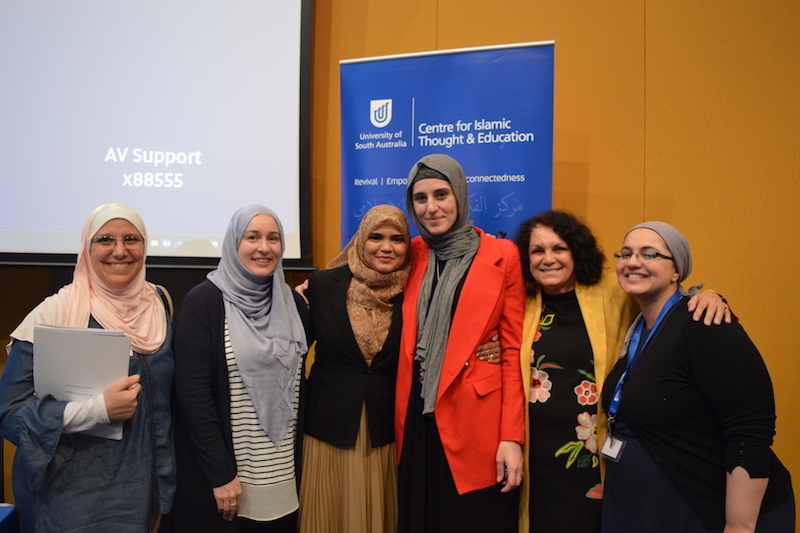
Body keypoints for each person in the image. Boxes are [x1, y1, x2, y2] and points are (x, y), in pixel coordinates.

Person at [509, 211, 731, 533]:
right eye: (537, 251)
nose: (548, 258)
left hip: (595, 454)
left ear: (576, 251)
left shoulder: (612, 291)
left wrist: (709, 297)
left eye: (559, 248)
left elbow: (665, 295)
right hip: (536, 457)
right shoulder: (520, 301)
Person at [600, 221, 794, 532]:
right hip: (647, 510)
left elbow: (749, 427)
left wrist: (738, 526)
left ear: (676, 271)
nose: (633, 261)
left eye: (649, 254)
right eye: (626, 253)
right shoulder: (637, 327)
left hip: (706, 510)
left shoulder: (704, 322)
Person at [0, 203, 175, 532]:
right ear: (86, 246)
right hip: (67, 500)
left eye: (131, 239)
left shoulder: (159, 304)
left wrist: (160, 492)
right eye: (105, 239)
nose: (119, 251)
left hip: (138, 493)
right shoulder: (55, 313)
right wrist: (96, 411)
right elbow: (8, 412)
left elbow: (161, 413)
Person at [395, 154, 526, 532]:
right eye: (420, 198)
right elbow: (359, 269)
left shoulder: (503, 255)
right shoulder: (413, 252)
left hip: (476, 421)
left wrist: (512, 437)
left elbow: (513, 350)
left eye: (441, 194)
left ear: (460, 194)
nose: (431, 207)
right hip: (417, 415)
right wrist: (309, 289)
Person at [170, 205, 311, 532]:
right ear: (234, 243)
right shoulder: (204, 302)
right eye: (252, 237)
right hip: (229, 481)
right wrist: (221, 474)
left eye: (273, 238)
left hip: (282, 473)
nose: (264, 247)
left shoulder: (294, 306)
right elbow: (194, 398)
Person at [298, 205, 411, 533]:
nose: (386, 247)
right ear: (360, 240)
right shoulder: (322, 285)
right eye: (376, 237)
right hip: (327, 428)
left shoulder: (415, 291)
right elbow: (294, 349)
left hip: (385, 430)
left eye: (397, 239)